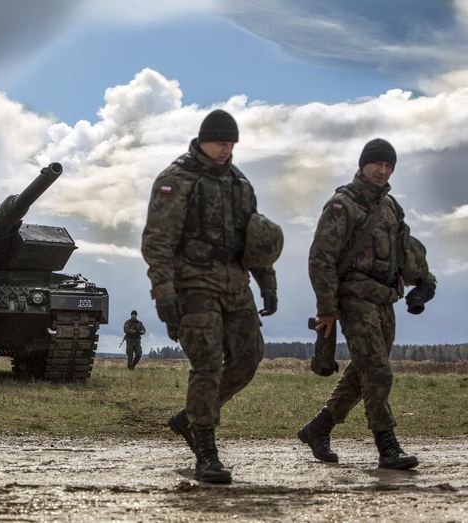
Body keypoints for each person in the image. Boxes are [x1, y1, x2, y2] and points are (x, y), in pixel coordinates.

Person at [141, 110, 281, 484]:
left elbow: (256, 237)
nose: (227, 149)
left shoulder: (240, 183)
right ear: (203, 140)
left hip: (236, 283)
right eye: (221, 142)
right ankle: (206, 450)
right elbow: (158, 242)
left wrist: (267, 281)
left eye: (232, 143)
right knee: (207, 364)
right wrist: (164, 294)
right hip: (193, 283)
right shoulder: (176, 179)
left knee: (249, 357)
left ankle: (189, 417)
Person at [298, 138, 436, 470]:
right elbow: (321, 258)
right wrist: (327, 308)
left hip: (384, 299)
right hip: (354, 299)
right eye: (377, 163)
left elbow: (403, 253)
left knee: (362, 371)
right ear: (363, 165)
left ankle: (319, 428)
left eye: (389, 165)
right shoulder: (342, 205)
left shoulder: (390, 207)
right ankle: (387, 446)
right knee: (376, 370)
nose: (383, 170)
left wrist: (425, 282)